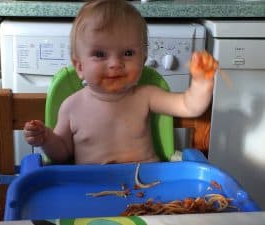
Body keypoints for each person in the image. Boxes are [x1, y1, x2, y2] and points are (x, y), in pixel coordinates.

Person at [23, 0, 218, 165]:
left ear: (142, 60)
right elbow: (61, 154)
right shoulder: (71, 107)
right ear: (79, 67)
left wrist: (201, 82)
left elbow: (189, 106)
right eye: (100, 54)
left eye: (128, 53)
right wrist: (46, 139)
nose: (116, 64)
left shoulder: (146, 96)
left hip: (148, 187)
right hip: (92, 190)